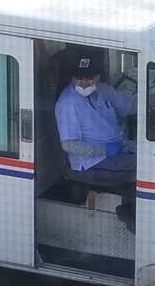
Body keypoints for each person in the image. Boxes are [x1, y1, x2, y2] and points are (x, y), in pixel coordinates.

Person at [54, 46, 137, 193]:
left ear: (98, 77)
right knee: (146, 167)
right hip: (91, 162)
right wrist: (103, 150)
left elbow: (128, 106)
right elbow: (69, 145)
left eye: (89, 78)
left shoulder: (104, 90)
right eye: (79, 78)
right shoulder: (68, 103)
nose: (84, 82)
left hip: (119, 147)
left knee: (154, 156)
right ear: (72, 77)